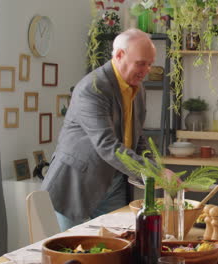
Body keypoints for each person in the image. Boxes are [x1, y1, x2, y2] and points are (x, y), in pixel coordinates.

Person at [42, 28, 171, 231]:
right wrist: (156, 172)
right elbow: (107, 145)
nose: (146, 70)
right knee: (75, 255)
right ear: (119, 55)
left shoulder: (138, 89)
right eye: (141, 63)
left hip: (115, 183)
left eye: (150, 64)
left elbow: (137, 139)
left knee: (116, 248)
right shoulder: (93, 88)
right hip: (76, 187)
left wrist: (153, 169)